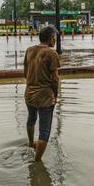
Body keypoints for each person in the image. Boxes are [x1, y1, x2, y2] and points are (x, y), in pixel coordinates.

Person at [24, 26, 60, 162]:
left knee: (31, 119)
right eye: (54, 37)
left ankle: (30, 143)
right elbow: (55, 79)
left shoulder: (29, 50)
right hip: (44, 96)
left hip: (29, 94)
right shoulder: (51, 53)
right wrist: (55, 96)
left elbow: (25, 73)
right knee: (44, 132)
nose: (55, 40)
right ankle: (37, 161)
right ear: (50, 38)